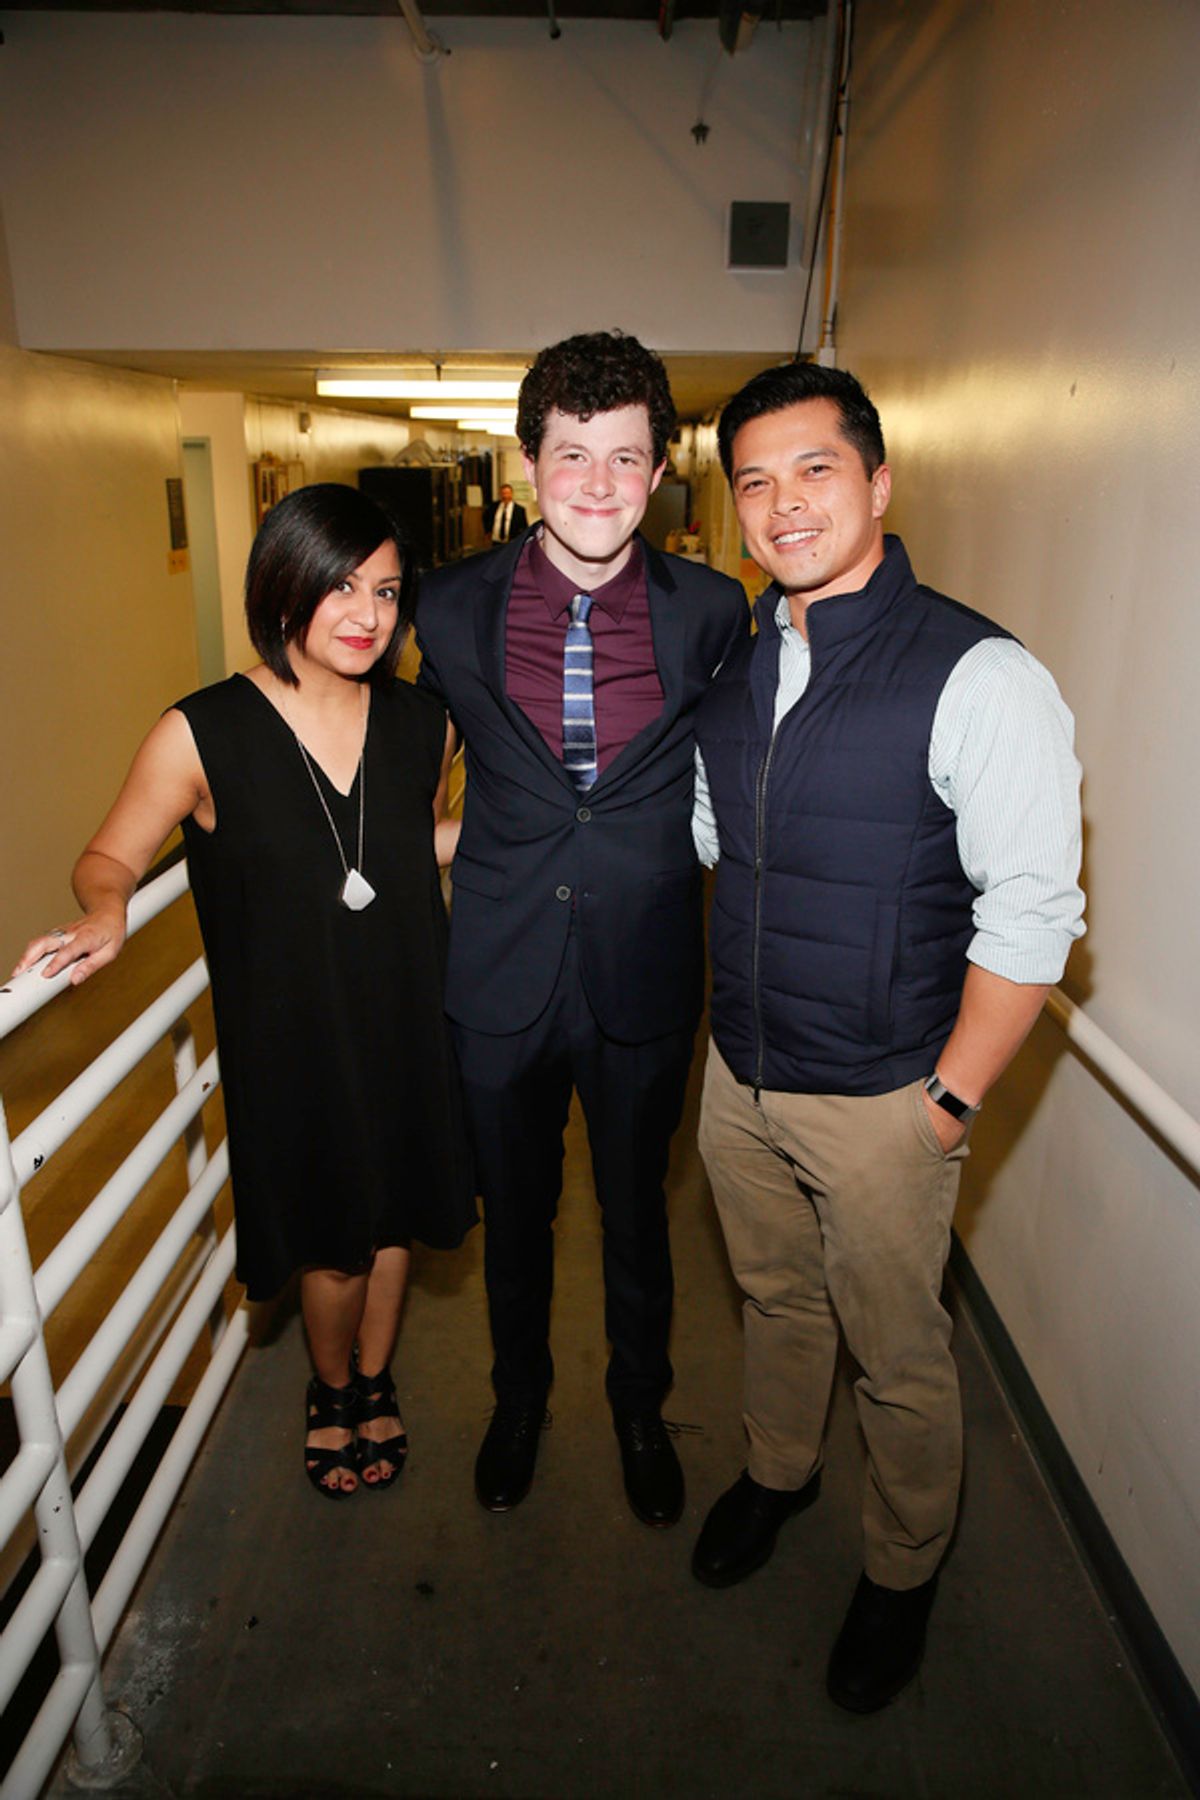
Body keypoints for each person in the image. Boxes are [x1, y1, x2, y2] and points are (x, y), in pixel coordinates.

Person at [690, 362, 1084, 1710]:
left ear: (876, 481)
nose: (784, 503)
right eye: (755, 479)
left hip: (883, 1094)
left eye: (814, 470)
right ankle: (778, 1474)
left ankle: (903, 1571)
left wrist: (951, 1102)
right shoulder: (744, 655)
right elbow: (714, 839)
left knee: (899, 1355)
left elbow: (1032, 916)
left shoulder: (978, 671)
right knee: (775, 1299)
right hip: (739, 1072)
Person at [13, 484, 476, 1501]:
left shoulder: (424, 726)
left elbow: (403, 850)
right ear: (285, 590)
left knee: (395, 1218)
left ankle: (374, 1377)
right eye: (342, 587)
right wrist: (106, 911)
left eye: (389, 593)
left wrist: (503, 844)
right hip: (292, 1035)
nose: (367, 614)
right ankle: (330, 1391)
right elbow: (108, 855)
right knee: (330, 1236)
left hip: (407, 1011)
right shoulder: (202, 731)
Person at [415, 330, 747, 1526]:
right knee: (517, 1216)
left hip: (645, 974)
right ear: (526, 464)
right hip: (497, 969)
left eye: (625, 458)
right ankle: (519, 1403)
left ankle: (641, 1411)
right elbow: (398, 766)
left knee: (634, 1213)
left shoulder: (714, 613)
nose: (598, 486)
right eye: (571, 455)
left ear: (660, 472)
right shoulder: (449, 610)